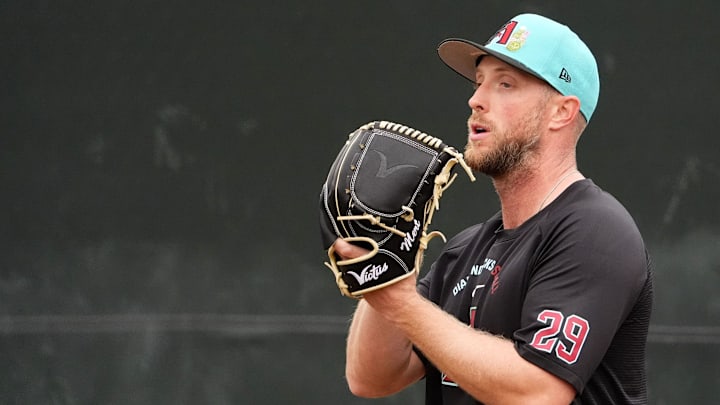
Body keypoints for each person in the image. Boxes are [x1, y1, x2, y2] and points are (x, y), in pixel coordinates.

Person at [331, 13, 654, 405]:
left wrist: (403, 303)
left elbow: (538, 391)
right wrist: (384, 276)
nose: (476, 100)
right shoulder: (464, 250)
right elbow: (372, 378)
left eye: (505, 84)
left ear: (561, 112)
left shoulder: (595, 231)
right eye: (479, 82)